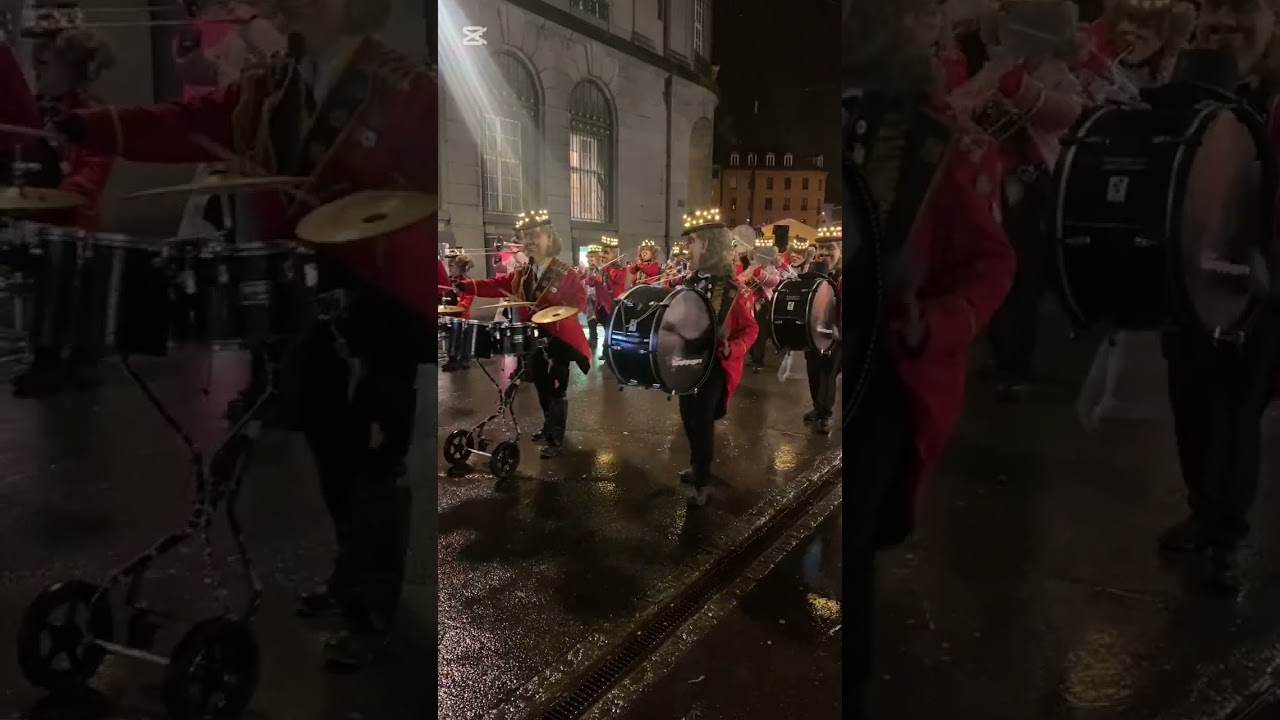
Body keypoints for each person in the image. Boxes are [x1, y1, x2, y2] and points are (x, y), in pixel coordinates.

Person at [52, 0, 437, 668]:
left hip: (376, 299)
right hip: (299, 294)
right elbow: (187, 124)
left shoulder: (408, 89)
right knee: (330, 443)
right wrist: (91, 126)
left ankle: (374, 606)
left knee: (376, 454)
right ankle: (350, 574)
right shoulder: (269, 85)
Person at [846, 0, 1015, 712]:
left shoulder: (949, 144)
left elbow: (989, 265)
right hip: (826, 367)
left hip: (879, 371)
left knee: (852, 543)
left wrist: (939, 322)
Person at [1154, 0, 1280, 591]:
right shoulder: (1189, 80)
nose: (1228, 26)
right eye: (1216, 12)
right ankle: (1204, 507)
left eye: (1244, 12)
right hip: (1190, 270)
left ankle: (1226, 528)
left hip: (1258, 283)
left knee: (1236, 400)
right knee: (1189, 392)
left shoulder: (1273, 94)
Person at [942, 0, 1083, 401]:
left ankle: (1013, 358)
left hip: (1031, 187)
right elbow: (958, 105)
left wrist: (1018, 90)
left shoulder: (1055, 73)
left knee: (1023, 275)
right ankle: (988, 346)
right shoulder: (994, 65)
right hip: (989, 185)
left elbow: (1064, 112)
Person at [0, 28, 116, 397]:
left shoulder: (93, 116)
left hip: (73, 221)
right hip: (37, 216)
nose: (35, 69)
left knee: (70, 272)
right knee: (41, 277)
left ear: (70, 68)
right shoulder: (29, 109)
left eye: (43, 62)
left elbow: (93, 171)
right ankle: (45, 353)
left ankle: (83, 353)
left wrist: (61, 190)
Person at [458, 210, 591, 458]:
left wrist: (555, 311)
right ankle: (548, 426)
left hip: (558, 340)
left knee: (556, 388)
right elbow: (496, 285)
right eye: (525, 236)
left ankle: (556, 437)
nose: (528, 241)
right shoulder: (522, 273)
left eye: (534, 235)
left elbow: (580, 302)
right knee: (541, 385)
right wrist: (465, 285)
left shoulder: (566, 273)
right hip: (532, 340)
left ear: (549, 237)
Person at [676, 208, 758, 505]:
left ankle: (701, 479)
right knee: (687, 417)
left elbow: (750, 330)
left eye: (693, 242)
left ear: (708, 245)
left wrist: (733, 349)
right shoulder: (688, 282)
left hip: (713, 367)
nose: (688, 248)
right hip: (687, 363)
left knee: (701, 422)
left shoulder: (735, 289)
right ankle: (697, 464)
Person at [804, 223, 843, 435]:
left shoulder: (842, 276)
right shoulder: (814, 273)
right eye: (821, 249)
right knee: (813, 372)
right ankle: (817, 407)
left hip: (835, 336)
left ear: (841, 252)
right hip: (813, 332)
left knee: (827, 375)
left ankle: (825, 415)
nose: (824, 253)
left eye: (830, 248)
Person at [744, 236, 782, 373]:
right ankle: (753, 356)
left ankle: (758, 360)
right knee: (750, 330)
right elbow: (743, 278)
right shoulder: (753, 266)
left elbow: (773, 281)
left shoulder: (773, 269)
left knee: (760, 333)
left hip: (764, 304)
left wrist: (759, 275)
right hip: (751, 304)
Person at [442, 249, 475, 372]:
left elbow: (466, 301)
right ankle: (452, 358)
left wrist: (456, 305)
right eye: (449, 264)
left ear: (460, 268)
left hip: (461, 316)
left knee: (458, 328)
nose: (449, 267)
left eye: (452, 265)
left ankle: (460, 358)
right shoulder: (448, 281)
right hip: (451, 314)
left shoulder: (467, 282)